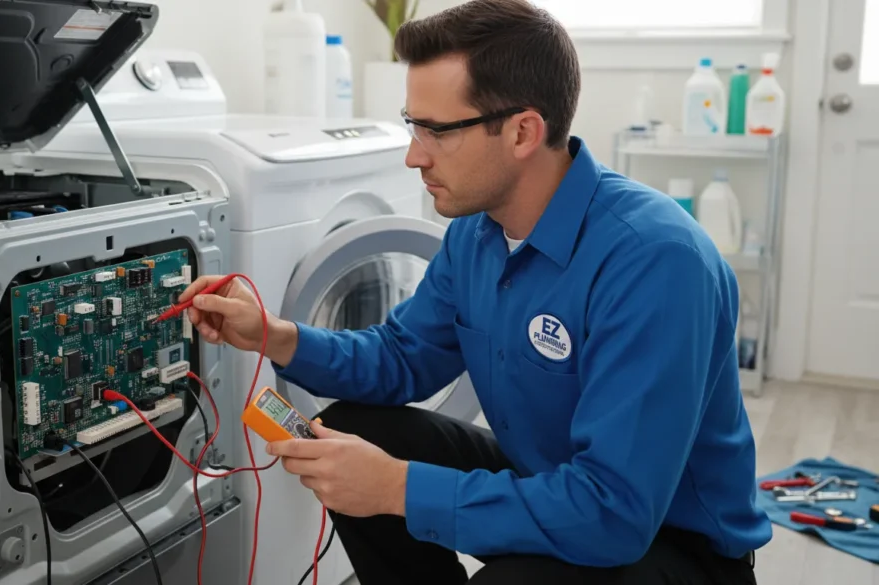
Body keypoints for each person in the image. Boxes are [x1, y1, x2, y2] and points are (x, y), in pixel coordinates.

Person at [177, 0, 771, 582]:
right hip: (553, 479)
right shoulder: (477, 234)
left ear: (522, 132)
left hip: (669, 541)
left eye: (436, 131)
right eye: (414, 126)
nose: (414, 155)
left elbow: (614, 513)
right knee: (361, 430)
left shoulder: (655, 262)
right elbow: (400, 357)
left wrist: (396, 488)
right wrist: (274, 336)